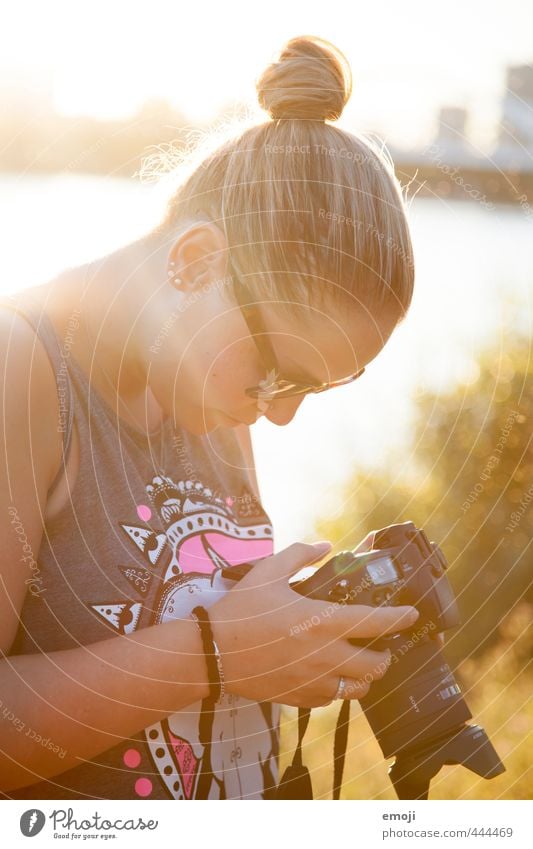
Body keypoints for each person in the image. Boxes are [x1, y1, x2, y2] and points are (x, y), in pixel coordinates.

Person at [0, 35, 418, 800]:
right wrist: (212, 655)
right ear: (195, 262)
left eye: (311, 391)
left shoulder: (211, 391)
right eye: (276, 377)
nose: (280, 418)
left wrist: (293, 637)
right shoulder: (21, 370)